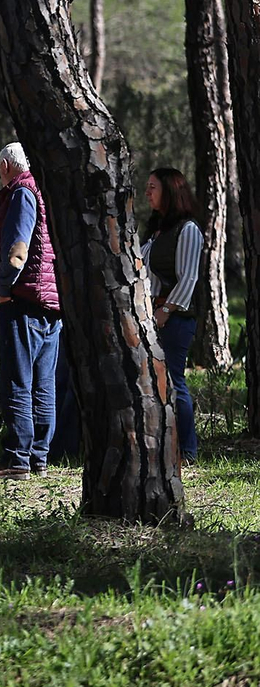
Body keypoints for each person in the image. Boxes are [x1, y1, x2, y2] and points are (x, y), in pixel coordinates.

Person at [0, 142, 63, 481]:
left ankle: (17, 458)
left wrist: (2, 289)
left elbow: (17, 250)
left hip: (23, 300)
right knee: (43, 383)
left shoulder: (22, 192)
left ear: (6, 165)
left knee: (17, 380)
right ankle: (38, 456)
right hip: (48, 302)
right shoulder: (43, 190)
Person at [143, 166, 203, 465]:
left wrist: (166, 311)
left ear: (169, 190)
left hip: (175, 318)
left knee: (175, 382)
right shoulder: (157, 229)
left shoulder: (188, 230)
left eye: (152, 186)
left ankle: (188, 452)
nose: (147, 192)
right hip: (153, 315)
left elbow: (188, 278)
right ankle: (165, 448)